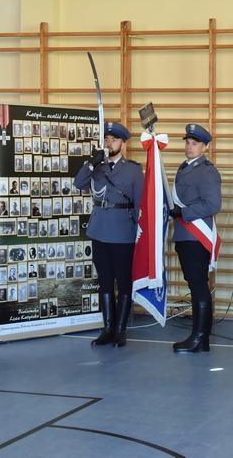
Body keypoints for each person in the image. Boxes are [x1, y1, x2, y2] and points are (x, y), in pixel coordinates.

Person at [74, 122, 143, 348]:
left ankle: (120, 331)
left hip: (123, 231)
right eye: (107, 139)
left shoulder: (133, 170)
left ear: (123, 144)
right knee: (104, 281)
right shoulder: (97, 167)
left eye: (114, 139)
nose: (109, 143)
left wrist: (139, 232)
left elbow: (140, 203)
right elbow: (78, 183)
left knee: (123, 282)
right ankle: (107, 329)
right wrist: (90, 164)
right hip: (99, 230)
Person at [171, 123, 222, 353]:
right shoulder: (184, 168)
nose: (189, 147)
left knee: (198, 285)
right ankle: (201, 339)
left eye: (194, 144)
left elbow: (213, 204)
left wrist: (183, 213)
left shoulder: (207, 171)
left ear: (205, 147)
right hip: (184, 234)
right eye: (188, 143)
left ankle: (199, 337)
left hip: (196, 236)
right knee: (195, 285)